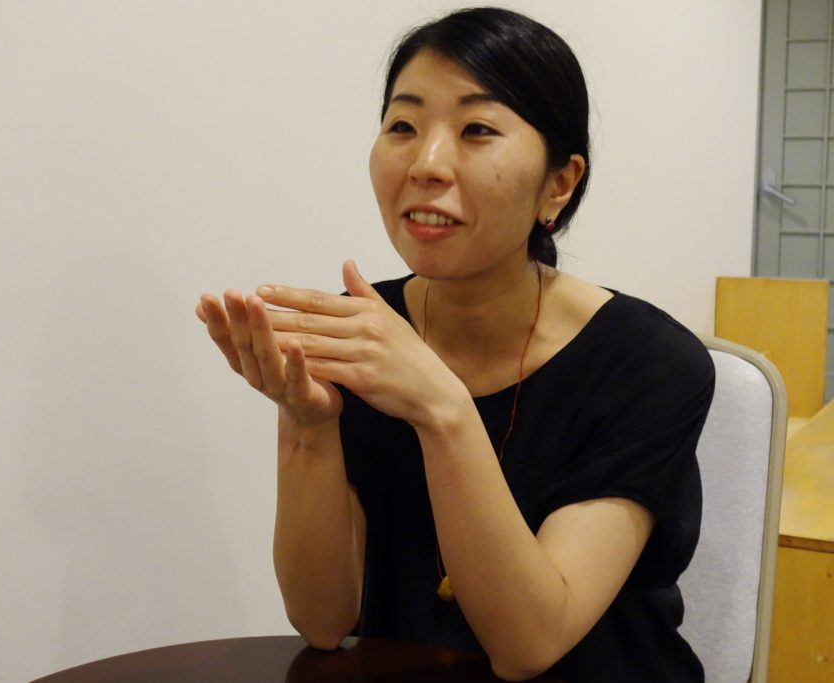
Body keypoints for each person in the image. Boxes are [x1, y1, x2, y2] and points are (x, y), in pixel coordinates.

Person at [195, 7, 713, 682]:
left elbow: (529, 645)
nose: (426, 164)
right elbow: (322, 620)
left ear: (558, 184)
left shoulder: (650, 365)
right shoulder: (362, 335)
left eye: (477, 130)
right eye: (403, 126)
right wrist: (308, 424)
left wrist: (440, 407)